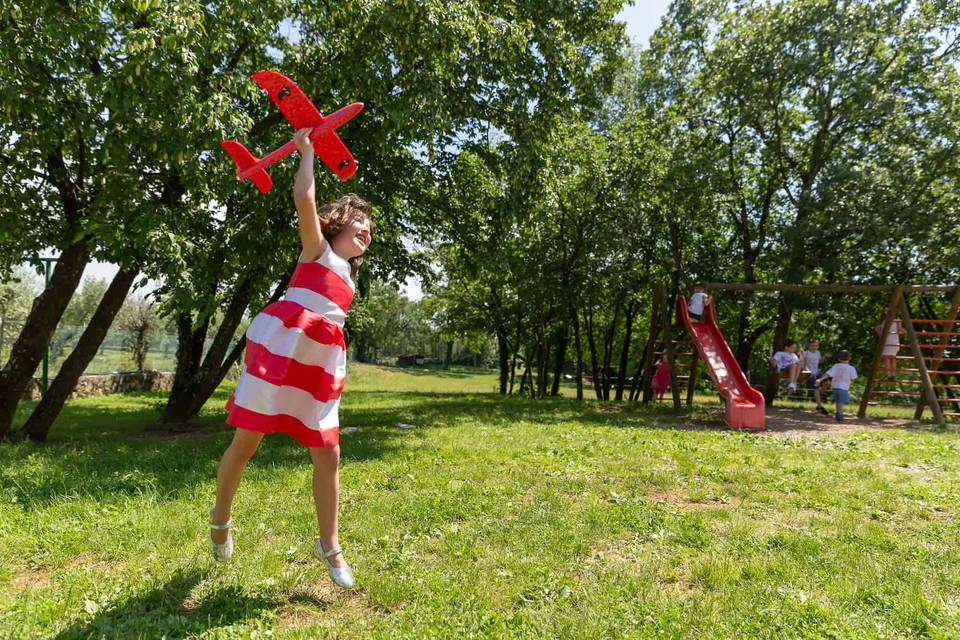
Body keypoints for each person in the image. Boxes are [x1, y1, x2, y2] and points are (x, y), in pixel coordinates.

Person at [208, 128, 374, 589]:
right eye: (360, 222)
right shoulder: (316, 250)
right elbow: (304, 196)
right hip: (282, 355)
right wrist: (306, 152)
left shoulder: (349, 277)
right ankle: (220, 519)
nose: (367, 230)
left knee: (329, 450)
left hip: (317, 363)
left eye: (371, 228)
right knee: (247, 444)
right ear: (337, 224)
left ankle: (331, 545)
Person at [816, 350, 858, 422]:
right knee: (840, 402)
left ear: (838, 358)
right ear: (850, 358)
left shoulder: (836, 366)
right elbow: (854, 378)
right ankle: (839, 416)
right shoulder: (851, 368)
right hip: (844, 388)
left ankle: (838, 414)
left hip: (835, 387)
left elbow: (828, 374)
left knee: (838, 401)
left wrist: (820, 379)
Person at [802, 338, 829, 415]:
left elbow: (820, 361)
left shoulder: (818, 353)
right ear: (809, 346)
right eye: (812, 346)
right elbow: (801, 363)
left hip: (817, 372)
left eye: (816, 346)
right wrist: (805, 370)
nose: (814, 347)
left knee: (827, 380)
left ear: (818, 346)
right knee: (815, 386)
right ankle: (819, 404)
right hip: (809, 373)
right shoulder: (806, 353)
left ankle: (820, 395)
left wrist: (824, 356)